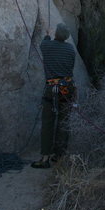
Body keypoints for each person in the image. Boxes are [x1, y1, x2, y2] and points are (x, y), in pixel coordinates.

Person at [31, 23, 76, 169]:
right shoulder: (70, 49)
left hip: (52, 89)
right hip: (67, 89)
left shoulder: (47, 46)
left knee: (48, 123)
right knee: (63, 122)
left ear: (56, 34)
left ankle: (45, 158)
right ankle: (59, 156)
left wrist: (48, 33)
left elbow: (44, 41)